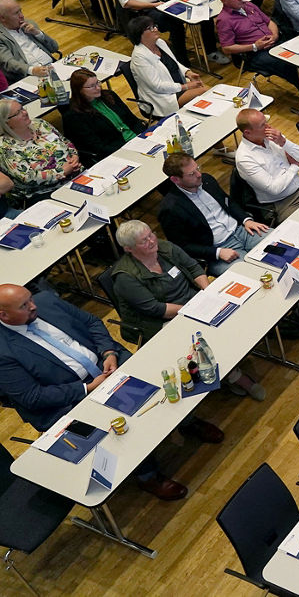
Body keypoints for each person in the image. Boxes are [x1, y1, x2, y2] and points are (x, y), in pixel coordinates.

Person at [0, 283, 200, 500]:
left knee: (160, 382)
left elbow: (92, 322)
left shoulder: (46, 301)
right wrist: (87, 388)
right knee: (121, 426)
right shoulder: (4, 350)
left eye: (30, 298)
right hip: (69, 397)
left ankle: (187, 421)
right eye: (23, 305)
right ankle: (148, 476)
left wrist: (109, 351)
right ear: (4, 315)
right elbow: (33, 397)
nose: (32, 306)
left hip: (106, 363)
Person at [105, 220, 268, 400]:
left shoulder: (164, 247)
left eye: (151, 234)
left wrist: (209, 293)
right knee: (203, 343)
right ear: (129, 249)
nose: (152, 241)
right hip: (160, 321)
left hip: (193, 302)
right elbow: (156, 308)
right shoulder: (125, 277)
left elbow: (193, 267)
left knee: (232, 311)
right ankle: (238, 378)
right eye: (144, 241)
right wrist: (194, 309)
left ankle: (233, 359)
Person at [158, 153, 270, 276]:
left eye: (197, 168)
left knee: (283, 247)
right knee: (254, 276)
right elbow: (183, 246)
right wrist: (217, 252)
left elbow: (228, 202)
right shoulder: (170, 209)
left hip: (242, 231)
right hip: (217, 250)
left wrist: (246, 220)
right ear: (175, 179)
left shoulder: (207, 180)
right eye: (191, 174)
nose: (199, 174)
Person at [235, 107, 299, 219]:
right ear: (248, 132)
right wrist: (294, 166)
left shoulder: (273, 137)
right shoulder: (244, 158)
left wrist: (284, 142)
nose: (268, 127)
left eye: (266, 122)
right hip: (283, 203)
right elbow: (274, 189)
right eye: (263, 125)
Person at [0, 99, 81, 204]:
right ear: (7, 122)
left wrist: (74, 156)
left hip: (75, 175)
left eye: (22, 108)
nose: (24, 113)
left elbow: (65, 142)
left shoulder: (40, 124)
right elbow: (29, 177)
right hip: (45, 193)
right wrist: (61, 172)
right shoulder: (5, 148)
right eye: (18, 113)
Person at [215, 0, 296, 84]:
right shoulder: (224, 20)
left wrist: (275, 35)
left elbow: (269, 22)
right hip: (254, 54)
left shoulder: (248, 5)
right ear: (224, 0)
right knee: (289, 65)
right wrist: (254, 46)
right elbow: (226, 48)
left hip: (275, 42)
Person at [126, 15, 207, 115]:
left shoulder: (160, 42)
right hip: (162, 97)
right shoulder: (139, 58)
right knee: (204, 92)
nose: (155, 29)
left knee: (207, 90)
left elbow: (174, 63)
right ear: (140, 34)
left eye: (154, 26)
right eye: (150, 28)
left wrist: (188, 72)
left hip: (177, 85)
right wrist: (185, 86)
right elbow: (157, 86)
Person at [61, 70, 143, 165]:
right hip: (117, 152)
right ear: (79, 90)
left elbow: (133, 120)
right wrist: (128, 150)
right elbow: (97, 147)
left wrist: (144, 136)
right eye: (92, 86)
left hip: (137, 140)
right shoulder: (74, 116)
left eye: (97, 83)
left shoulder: (110, 95)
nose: (98, 88)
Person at [0, 0, 58, 80]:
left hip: (52, 66)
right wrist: (32, 70)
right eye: (16, 13)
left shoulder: (29, 24)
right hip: (28, 76)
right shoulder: (1, 36)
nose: (22, 16)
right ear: (2, 18)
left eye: (20, 11)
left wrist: (37, 33)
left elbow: (54, 48)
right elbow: (9, 63)